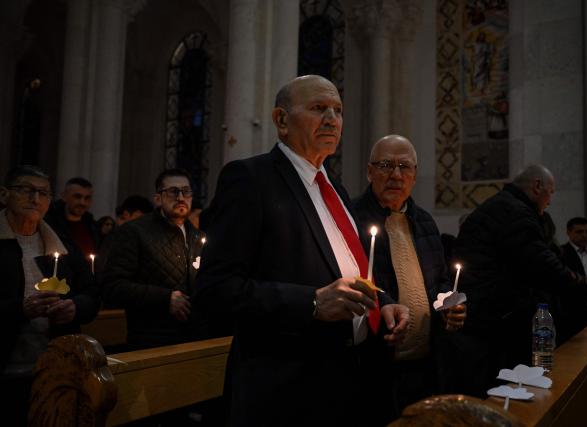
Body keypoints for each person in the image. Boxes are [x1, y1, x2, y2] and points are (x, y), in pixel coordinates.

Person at [194, 75, 410, 427]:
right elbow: (215, 291)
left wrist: (383, 302)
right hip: (289, 389)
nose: (332, 119)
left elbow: (353, 268)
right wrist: (311, 303)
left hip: (356, 380)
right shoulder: (249, 180)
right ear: (281, 120)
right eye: (318, 108)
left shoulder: (335, 189)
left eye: (338, 111)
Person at [453, 165, 587, 397]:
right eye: (551, 192)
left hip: (487, 318)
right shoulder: (515, 213)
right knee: (504, 394)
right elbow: (546, 269)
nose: (550, 200)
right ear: (537, 186)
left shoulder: (504, 206)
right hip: (494, 325)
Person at [353, 135, 466, 415]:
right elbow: (354, 279)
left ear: (414, 175)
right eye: (385, 165)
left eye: (404, 167)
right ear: (369, 171)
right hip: (375, 361)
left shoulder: (425, 221)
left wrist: (447, 305)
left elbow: (440, 280)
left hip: (426, 362)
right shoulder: (352, 217)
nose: (395, 174)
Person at [0, 165, 99, 425]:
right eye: (26, 190)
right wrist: (21, 309)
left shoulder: (61, 243)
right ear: (4, 195)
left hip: (53, 373)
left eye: (43, 193)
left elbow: (92, 293)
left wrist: (74, 307)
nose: (35, 199)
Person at [102, 169, 206, 350]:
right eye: (173, 191)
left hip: (193, 339)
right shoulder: (135, 232)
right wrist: (165, 298)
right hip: (151, 340)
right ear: (158, 198)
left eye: (186, 191)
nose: (181, 197)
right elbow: (113, 287)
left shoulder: (198, 237)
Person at [555, 217, 587, 345]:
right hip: (567, 311)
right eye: (579, 232)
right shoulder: (560, 253)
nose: (584, 235)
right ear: (569, 233)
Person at [45, 177, 99, 258]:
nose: (82, 202)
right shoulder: (50, 225)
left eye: (87, 198)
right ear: (64, 196)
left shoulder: (92, 226)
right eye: (77, 196)